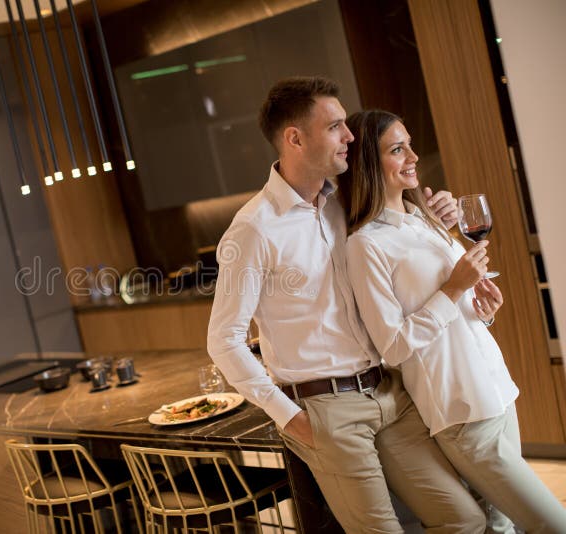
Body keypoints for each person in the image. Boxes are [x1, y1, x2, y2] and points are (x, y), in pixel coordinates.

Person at [207, 77, 486, 533]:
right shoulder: (253, 230)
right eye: (336, 126)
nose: (351, 137)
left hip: (389, 392)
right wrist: (290, 418)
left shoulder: (347, 200)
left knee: (465, 520)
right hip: (325, 411)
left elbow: (400, 234)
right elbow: (224, 341)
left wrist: (438, 215)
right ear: (295, 138)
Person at [340, 108, 566, 534]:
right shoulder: (364, 245)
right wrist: (455, 290)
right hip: (462, 410)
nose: (412, 156)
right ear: (369, 163)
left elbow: (450, 314)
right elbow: (392, 346)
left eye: (409, 144)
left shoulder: (423, 219)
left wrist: (481, 309)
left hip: (497, 390)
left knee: (502, 526)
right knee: (550, 522)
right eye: (396, 149)